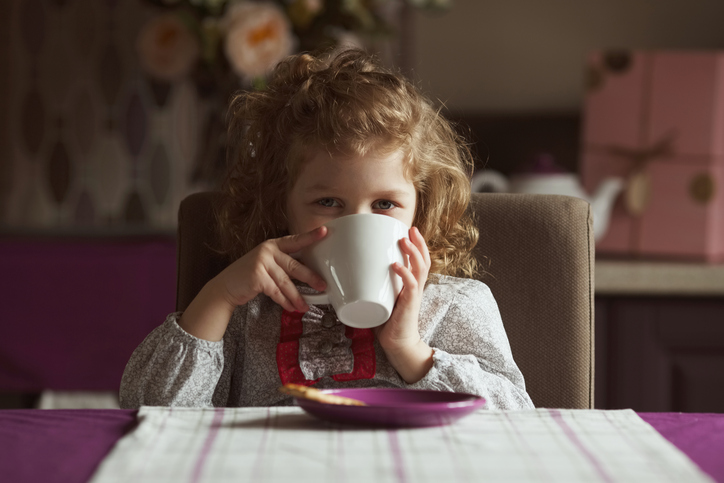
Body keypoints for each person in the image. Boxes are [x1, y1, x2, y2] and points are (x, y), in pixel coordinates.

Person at [119, 49, 534, 410]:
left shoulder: (454, 305)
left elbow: (515, 417)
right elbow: (148, 411)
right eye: (328, 203)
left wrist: (411, 352)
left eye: (384, 204)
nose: (357, 223)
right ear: (282, 204)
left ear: (420, 206)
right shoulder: (249, 310)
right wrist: (219, 296)